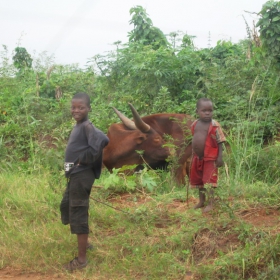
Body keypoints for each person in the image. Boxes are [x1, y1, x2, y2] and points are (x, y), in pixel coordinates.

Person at [60, 92, 109, 271]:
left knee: (78, 211)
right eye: (73, 107)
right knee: (70, 206)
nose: (76, 110)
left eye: (81, 107)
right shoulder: (80, 125)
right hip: (76, 175)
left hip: (82, 174)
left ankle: (81, 261)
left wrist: (83, 160)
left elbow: (103, 139)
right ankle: (85, 243)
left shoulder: (87, 126)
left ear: (88, 108)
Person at [190, 97, 226, 212]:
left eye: (210, 110)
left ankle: (211, 203)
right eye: (204, 111)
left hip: (210, 158)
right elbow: (194, 138)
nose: (207, 113)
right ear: (197, 111)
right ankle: (201, 201)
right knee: (199, 180)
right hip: (197, 158)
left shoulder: (215, 125)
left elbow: (220, 141)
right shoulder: (195, 124)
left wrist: (220, 157)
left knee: (209, 180)